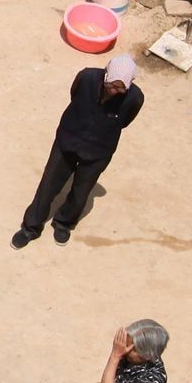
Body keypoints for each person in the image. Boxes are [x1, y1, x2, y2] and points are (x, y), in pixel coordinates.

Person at [13, 53, 145, 247]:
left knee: (81, 190)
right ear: (106, 75)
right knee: (49, 183)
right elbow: (74, 95)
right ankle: (31, 227)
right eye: (112, 85)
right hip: (68, 139)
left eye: (121, 87)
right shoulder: (87, 78)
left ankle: (64, 223)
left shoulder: (135, 98)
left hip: (99, 151)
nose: (115, 91)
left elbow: (125, 120)